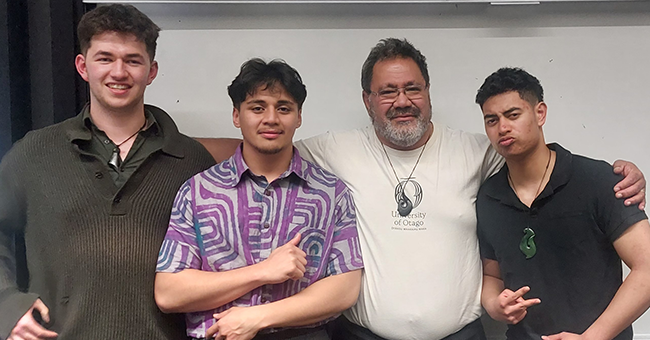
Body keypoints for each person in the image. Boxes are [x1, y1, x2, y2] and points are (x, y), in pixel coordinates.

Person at [199, 38, 646, 340]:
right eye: (387, 91)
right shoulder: (334, 150)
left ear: (428, 92)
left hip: (463, 335)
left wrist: (619, 172)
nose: (402, 100)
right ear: (367, 100)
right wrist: (166, 145)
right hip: (360, 335)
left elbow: (540, 162)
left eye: (412, 88)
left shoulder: (478, 150)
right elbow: (259, 143)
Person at [0, 5, 218, 340]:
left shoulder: (192, 161)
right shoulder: (34, 153)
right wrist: (6, 304)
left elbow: (223, 258)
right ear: (82, 66)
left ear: (152, 70)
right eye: (104, 58)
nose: (119, 72)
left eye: (133, 60)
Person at [154, 58, 363, 340]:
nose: (271, 119)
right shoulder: (198, 191)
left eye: (284, 108)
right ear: (236, 116)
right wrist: (263, 271)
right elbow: (169, 293)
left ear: (299, 117)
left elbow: (344, 288)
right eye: (257, 107)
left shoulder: (330, 192)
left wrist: (257, 318)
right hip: (219, 333)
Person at [475, 67, 650, 340]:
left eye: (513, 115)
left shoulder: (598, 180)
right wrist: (495, 305)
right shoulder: (489, 197)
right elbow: (493, 276)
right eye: (491, 120)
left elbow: (647, 268)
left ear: (540, 113)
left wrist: (592, 338)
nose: (503, 128)